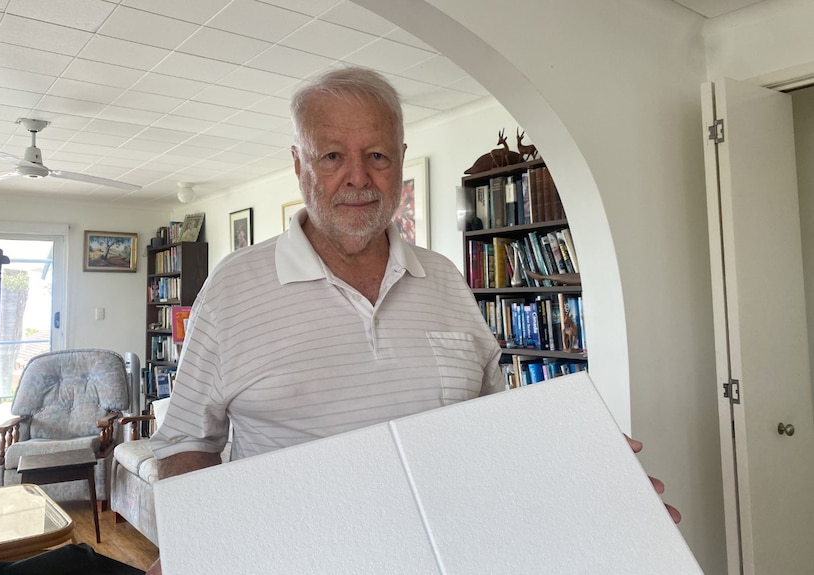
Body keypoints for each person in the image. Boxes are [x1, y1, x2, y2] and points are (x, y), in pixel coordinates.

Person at [146, 66, 678, 574]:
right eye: (332, 156)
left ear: (400, 158)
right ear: (298, 163)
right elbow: (186, 444)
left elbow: (498, 430)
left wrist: (590, 471)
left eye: (376, 155)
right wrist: (199, 544)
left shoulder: (445, 279)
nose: (358, 177)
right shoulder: (233, 288)